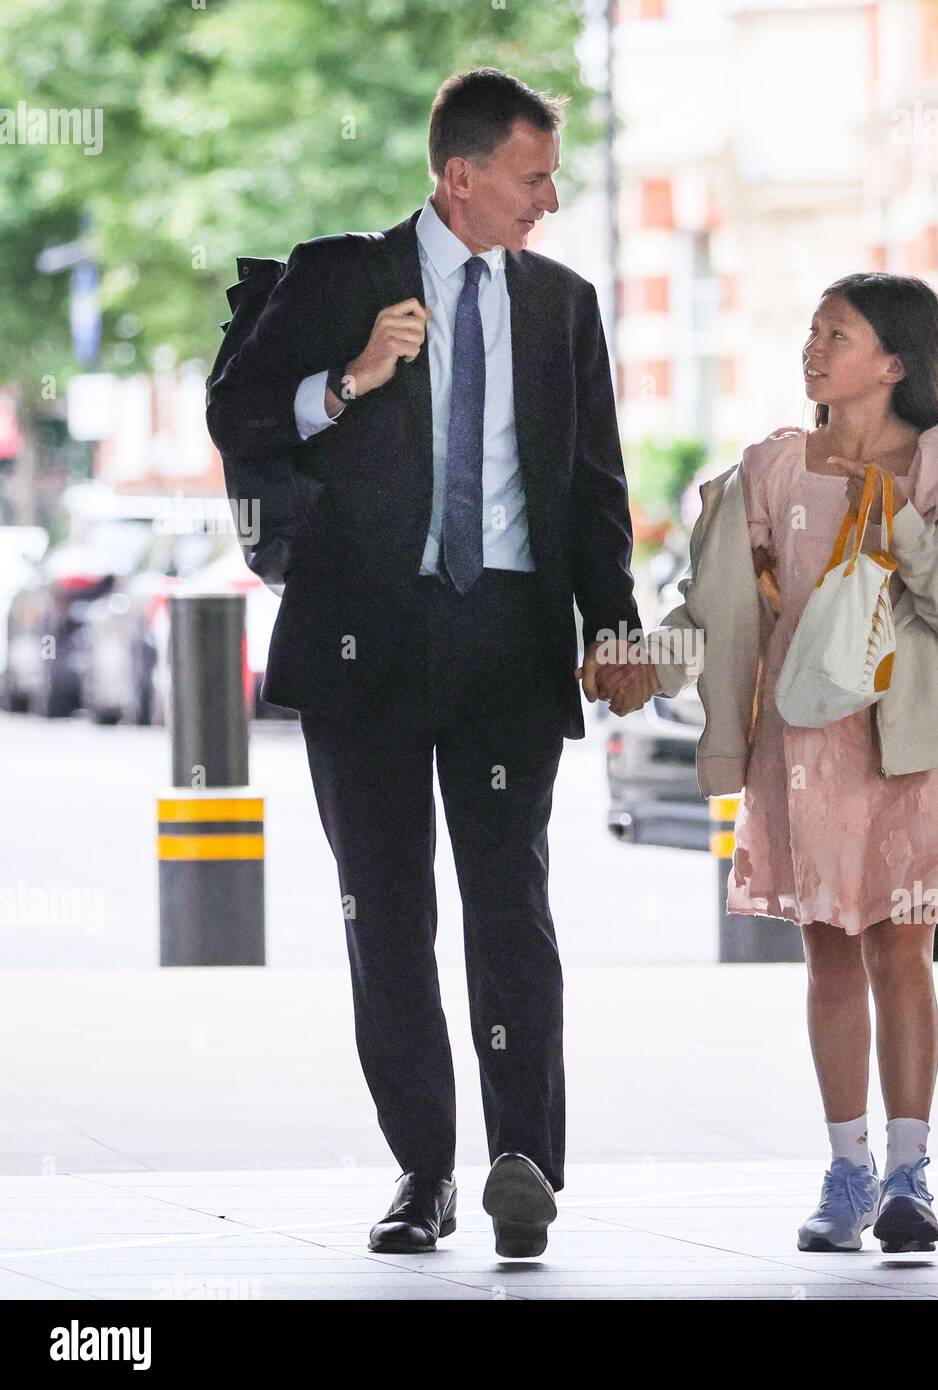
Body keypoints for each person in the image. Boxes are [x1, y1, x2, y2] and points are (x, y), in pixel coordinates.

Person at [207, 68, 643, 1259]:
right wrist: (348, 382)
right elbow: (238, 411)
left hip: (507, 637)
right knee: (386, 914)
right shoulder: (341, 275)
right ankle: (422, 1169)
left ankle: (522, 1163)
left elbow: (594, 488)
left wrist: (615, 623)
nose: (547, 200)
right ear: (461, 176)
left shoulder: (561, 304)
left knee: (513, 908)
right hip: (370, 645)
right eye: (532, 176)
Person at [593, 273, 938, 1256]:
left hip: (907, 746)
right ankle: (845, 1169)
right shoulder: (770, 472)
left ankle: (909, 1174)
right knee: (828, 955)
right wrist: (643, 662)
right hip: (803, 746)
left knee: (903, 956)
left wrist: (896, 515)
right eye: (812, 331)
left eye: (838, 333)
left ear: (893, 363)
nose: (813, 347)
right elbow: (714, 611)